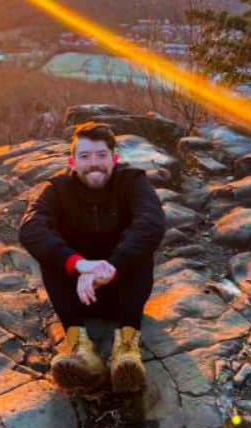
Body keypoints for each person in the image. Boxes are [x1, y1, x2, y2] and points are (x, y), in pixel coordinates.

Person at [19, 121, 166, 393]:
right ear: (72, 162)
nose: (94, 163)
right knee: (52, 256)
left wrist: (113, 266)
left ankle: (126, 348)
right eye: (85, 157)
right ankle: (80, 348)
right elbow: (30, 227)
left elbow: (152, 223)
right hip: (77, 296)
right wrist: (79, 265)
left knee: (140, 249)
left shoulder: (132, 182)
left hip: (122, 293)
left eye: (101, 155)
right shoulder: (57, 188)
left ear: (115, 158)